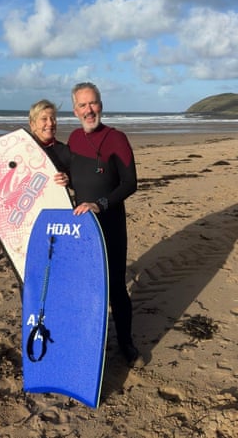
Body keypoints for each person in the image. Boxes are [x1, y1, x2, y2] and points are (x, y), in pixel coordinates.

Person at [68, 82, 141, 366]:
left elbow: (130, 183)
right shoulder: (73, 140)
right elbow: (56, 169)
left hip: (109, 224)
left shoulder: (116, 138)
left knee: (115, 288)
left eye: (93, 103)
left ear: (101, 105)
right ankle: (89, 343)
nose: (89, 110)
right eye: (83, 105)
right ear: (75, 111)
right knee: (86, 287)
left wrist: (101, 204)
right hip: (82, 228)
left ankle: (125, 342)